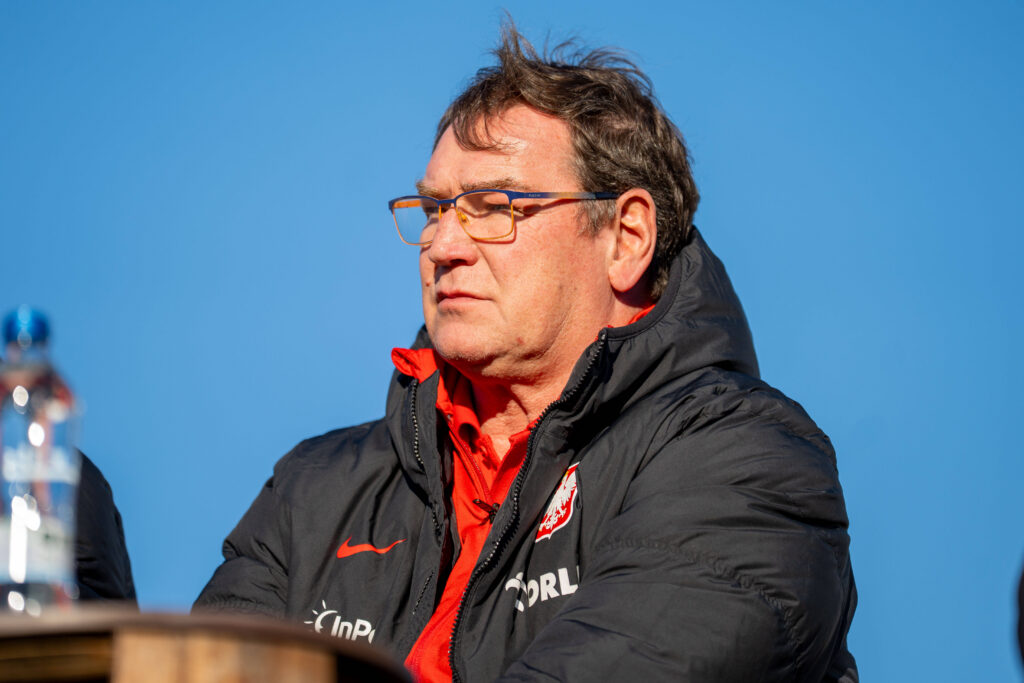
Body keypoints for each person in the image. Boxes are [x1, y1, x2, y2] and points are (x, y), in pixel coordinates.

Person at [195, 23, 857, 682]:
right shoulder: (315, 491)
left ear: (626, 237)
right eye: (434, 209)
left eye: (495, 206)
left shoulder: (744, 461)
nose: (442, 246)